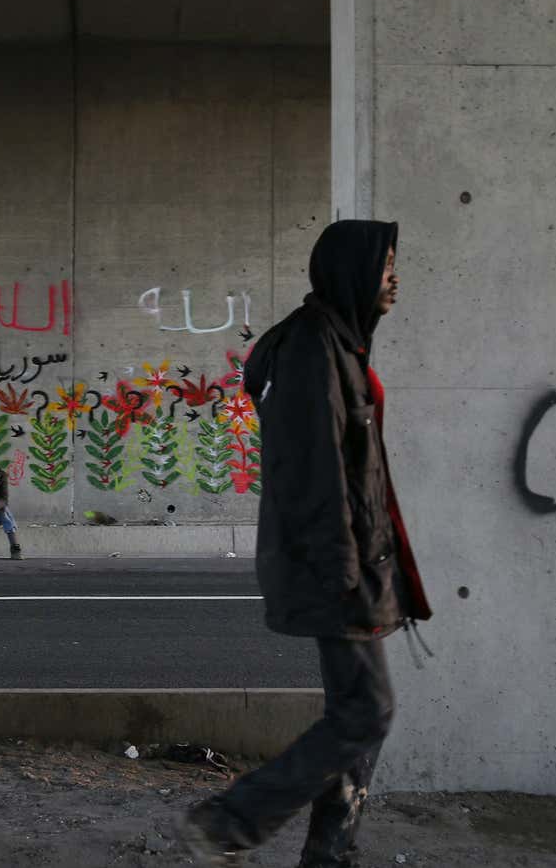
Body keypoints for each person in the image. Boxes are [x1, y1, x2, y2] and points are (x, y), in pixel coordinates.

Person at [178, 220, 432, 867]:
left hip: (358, 565)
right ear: (352, 269)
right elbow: (315, 472)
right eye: (386, 266)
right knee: (366, 713)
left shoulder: (339, 344)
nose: (395, 278)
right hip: (339, 569)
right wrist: (345, 574)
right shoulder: (313, 349)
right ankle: (228, 822)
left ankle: (330, 853)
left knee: (359, 718)